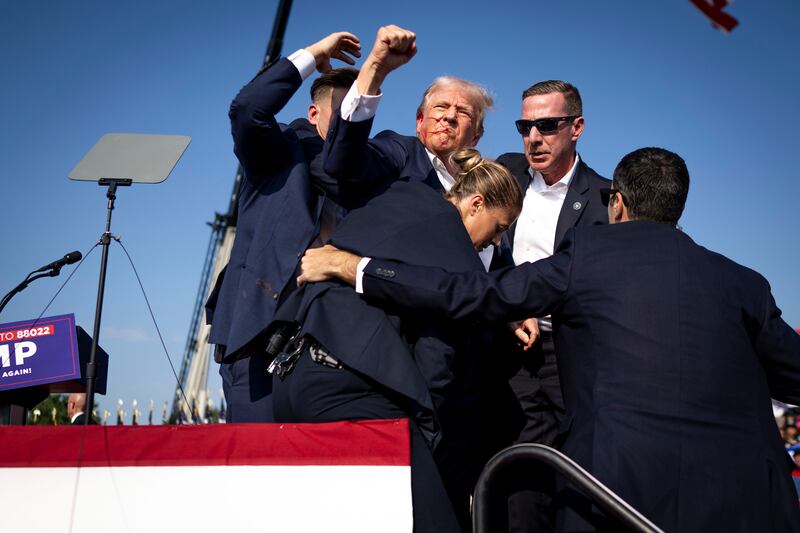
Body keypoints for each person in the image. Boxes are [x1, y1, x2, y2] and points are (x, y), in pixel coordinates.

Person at [298, 147, 800, 532]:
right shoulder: (745, 283)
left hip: (615, 497)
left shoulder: (588, 257)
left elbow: (470, 294)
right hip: (753, 501)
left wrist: (356, 266)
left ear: (617, 203)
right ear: (677, 208)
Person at [269, 148, 522, 532]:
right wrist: (431, 445)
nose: (497, 243)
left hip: (294, 378)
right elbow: (437, 363)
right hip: (352, 395)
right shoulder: (457, 255)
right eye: (500, 227)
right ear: (476, 203)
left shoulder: (399, 195)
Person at [204, 32, 361, 423]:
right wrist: (312, 55)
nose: (350, 122)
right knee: (259, 467)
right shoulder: (278, 153)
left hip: (334, 352)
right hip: (259, 347)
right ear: (314, 115)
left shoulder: (370, 173)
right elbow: (247, 110)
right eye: (342, 111)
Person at [493, 80, 610, 532]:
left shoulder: (605, 199)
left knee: (579, 476)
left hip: (574, 356)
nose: (533, 138)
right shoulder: (503, 174)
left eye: (547, 125)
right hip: (508, 353)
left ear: (576, 127)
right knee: (519, 481)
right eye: (525, 126)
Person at [321, 25, 496, 267]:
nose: (450, 117)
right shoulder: (400, 152)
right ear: (419, 121)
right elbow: (342, 163)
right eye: (441, 107)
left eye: (463, 112)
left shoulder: (487, 190)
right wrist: (375, 71)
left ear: (476, 137)